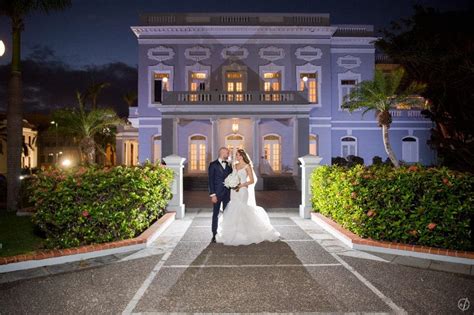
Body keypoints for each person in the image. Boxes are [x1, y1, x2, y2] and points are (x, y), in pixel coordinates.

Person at [216, 148, 280, 246]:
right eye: (236, 155)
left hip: (242, 190)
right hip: (234, 191)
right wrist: (230, 183)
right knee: (233, 208)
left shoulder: (247, 166)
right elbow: (232, 177)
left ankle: (246, 233)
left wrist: (241, 184)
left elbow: (252, 180)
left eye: (238, 155)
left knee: (242, 208)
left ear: (242, 156)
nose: (237, 156)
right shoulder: (234, 165)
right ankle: (234, 232)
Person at [208, 147, 233, 243]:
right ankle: (214, 234)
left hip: (227, 194)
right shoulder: (213, 165)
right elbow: (210, 181)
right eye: (227, 153)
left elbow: (231, 179)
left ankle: (226, 233)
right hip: (217, 194)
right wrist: (212, 194)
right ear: (222, 153)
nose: (228, 155)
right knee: (216, 214)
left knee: (227, 214)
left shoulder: (229, 166)